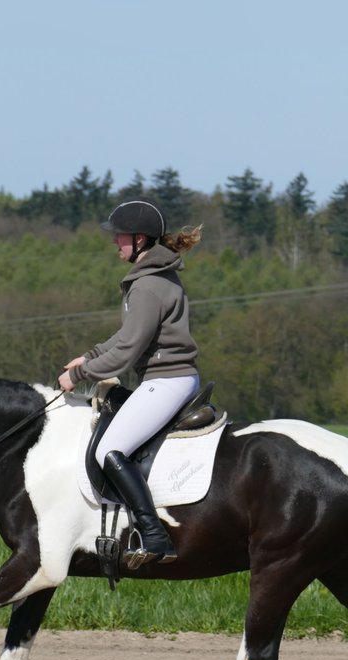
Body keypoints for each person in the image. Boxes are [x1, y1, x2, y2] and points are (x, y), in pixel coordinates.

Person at [59, 199, 202, 568]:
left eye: (119, 236)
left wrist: (79, 375)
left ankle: (155, 536)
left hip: (166, 379)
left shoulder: (148, 286)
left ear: (139, 239)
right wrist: (89, 357)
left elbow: (126, 353)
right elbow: (126, 337)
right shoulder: (152, 278)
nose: (115, 243)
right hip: (171, 377)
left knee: (110, 448)